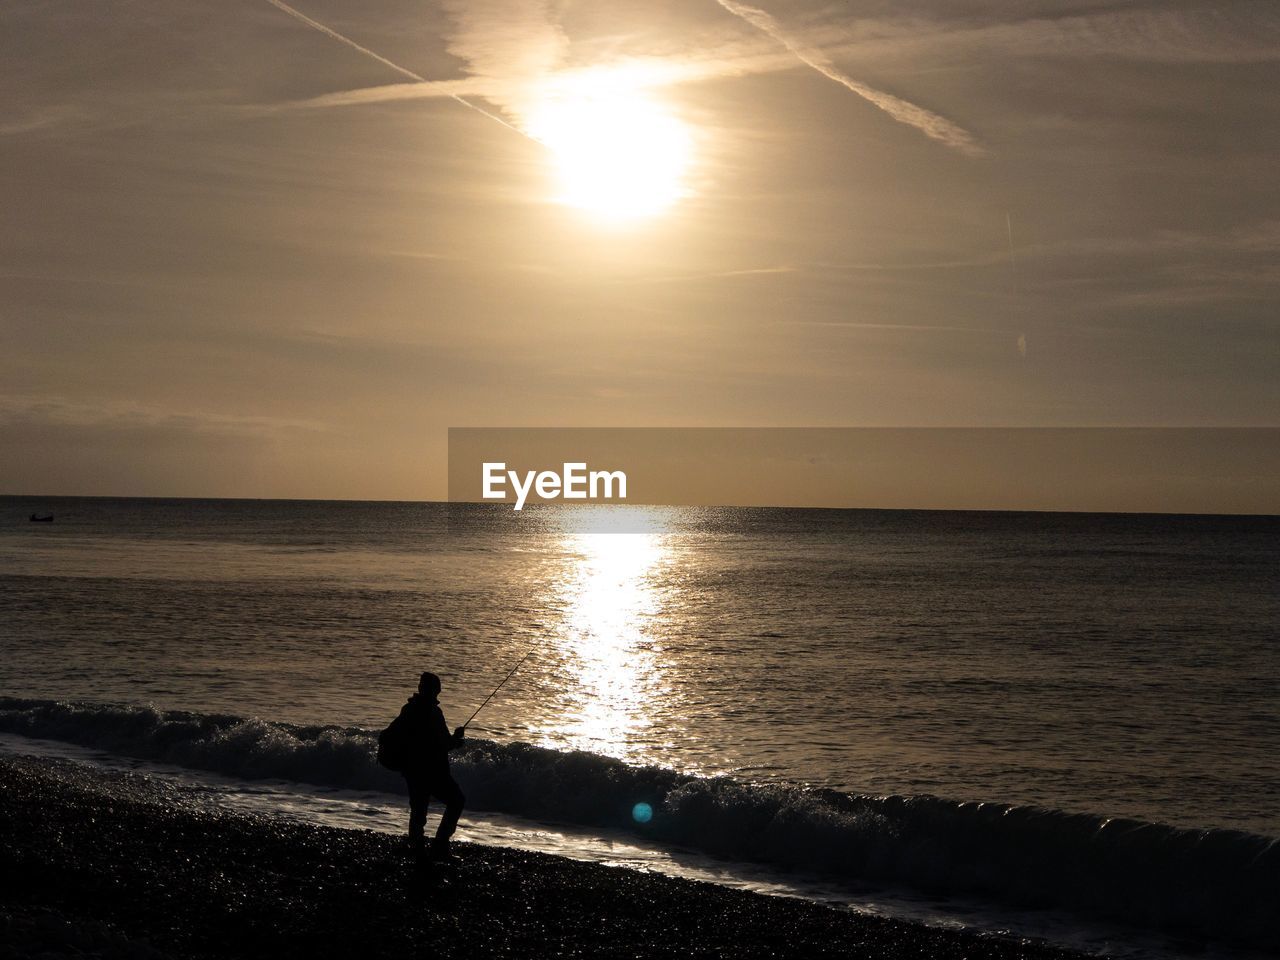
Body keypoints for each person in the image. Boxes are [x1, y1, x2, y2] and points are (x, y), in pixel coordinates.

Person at [396, 671, 466, 861]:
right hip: (433, 770)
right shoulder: (433, 712)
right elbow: (444, 743)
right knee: (457, 801)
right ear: (437, 690)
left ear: (420, 688)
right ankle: (440, 846)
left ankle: (417, 850)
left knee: (418, 810)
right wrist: (457, 739)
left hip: (411, 769)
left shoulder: (408, 709)